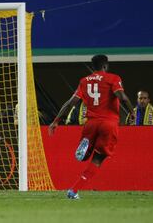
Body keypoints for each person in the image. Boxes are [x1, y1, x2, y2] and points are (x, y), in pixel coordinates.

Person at [48, 54, 135, 199]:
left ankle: (86, 147)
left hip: (90, 123)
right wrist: (132, 112)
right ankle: (74, 190)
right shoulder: (113, 78)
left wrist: (56, 121)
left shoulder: (84, 81)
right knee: (99, 158)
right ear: (105, 66)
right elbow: (122, 97)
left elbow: (71, 102)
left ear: (93, 67)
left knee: (86, 155)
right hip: (108, 124)